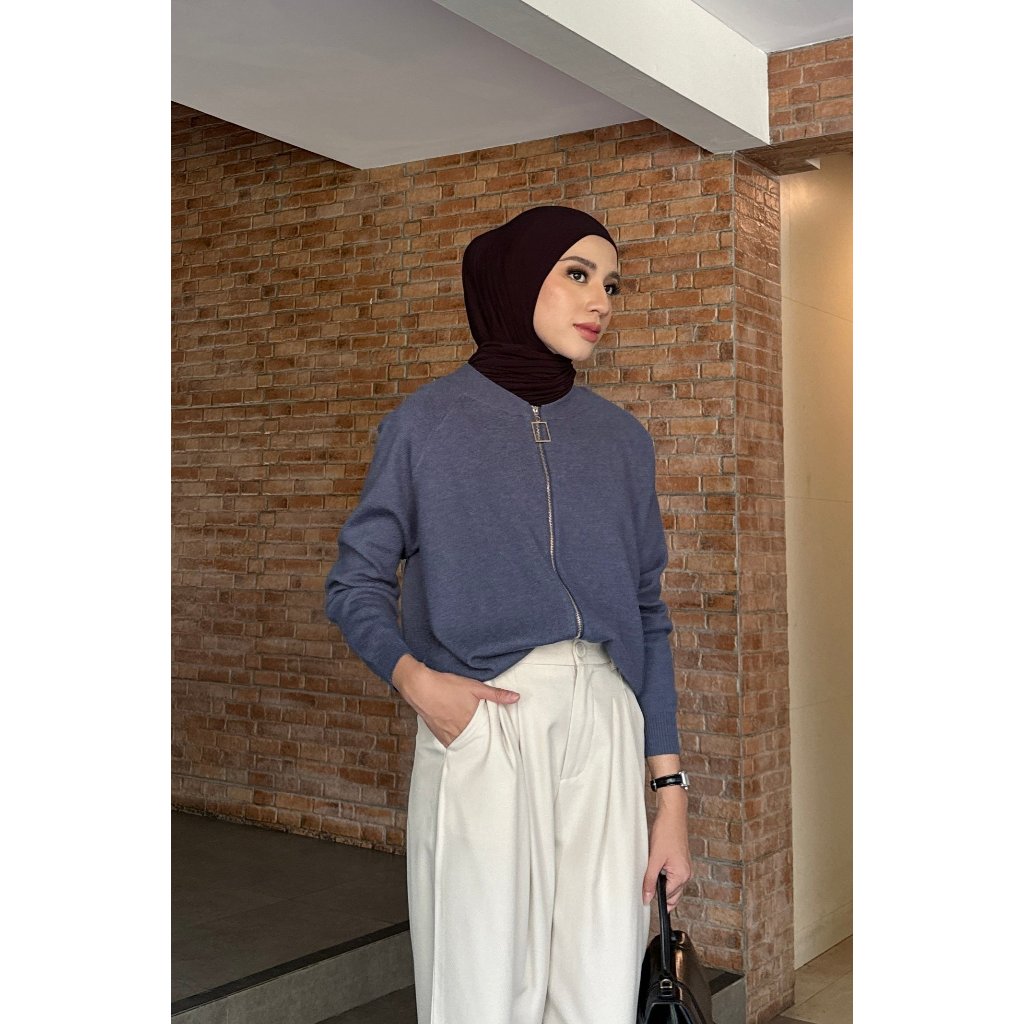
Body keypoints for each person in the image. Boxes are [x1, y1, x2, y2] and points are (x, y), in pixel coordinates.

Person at [325, 205, 691, 1024]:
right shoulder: (426, 425)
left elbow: (646, 612)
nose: (600, 300)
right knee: (480, 987)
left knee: (600, 989)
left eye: (612, 285)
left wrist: (670, 797)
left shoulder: (621, 439)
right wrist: (417, 682)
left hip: (605, 719)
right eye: (577, 274)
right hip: (485, 714)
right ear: (517, 279)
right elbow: (355, 582)